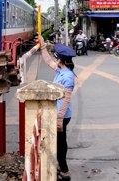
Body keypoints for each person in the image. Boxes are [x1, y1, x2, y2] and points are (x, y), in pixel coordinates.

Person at [37, 35, 76, 180]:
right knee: (59, 141)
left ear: (60, 60)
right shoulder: (61, 70)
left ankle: (65, 172)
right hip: (58, 113)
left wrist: (59, 118)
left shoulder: (68, 76)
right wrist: (42, 45)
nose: (54, 60)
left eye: (56, 58)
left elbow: (66, 100)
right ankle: (61, 167)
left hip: (62, 115)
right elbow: (48, 61)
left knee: (60, 143)